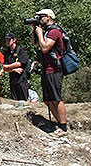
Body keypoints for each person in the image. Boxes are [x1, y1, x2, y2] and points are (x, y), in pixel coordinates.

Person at [31, 9, 69, 137]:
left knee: (56, 98)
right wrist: (35, 31)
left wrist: (40, 34)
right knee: (48, 100)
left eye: (41, 16)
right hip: (46, 69)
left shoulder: (54, 31)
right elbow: (35, 44)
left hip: (54, 69)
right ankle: (58, 123)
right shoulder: (46, 31)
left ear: (48, 17)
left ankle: (63, 126)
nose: (39, 18)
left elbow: (45, 47)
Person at [3, 32, 31, 101]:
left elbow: (19, 64)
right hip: (12, 80)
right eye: (6, 40)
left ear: (14, 40)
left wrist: (9, 67)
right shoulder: (7, 53)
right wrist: (13, 69)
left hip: (22, 80)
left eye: (9, 40)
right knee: (14, 101)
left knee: (23, 101)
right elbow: (5, 68)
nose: (7, 42)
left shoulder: (20, 51)